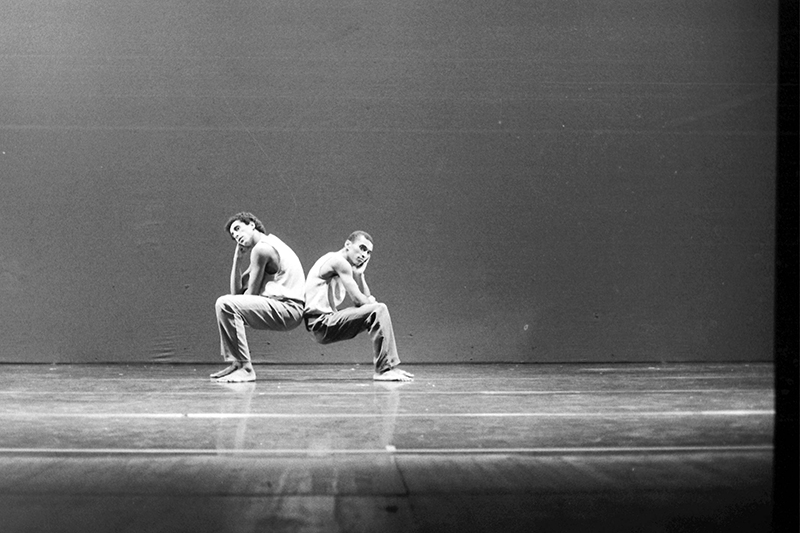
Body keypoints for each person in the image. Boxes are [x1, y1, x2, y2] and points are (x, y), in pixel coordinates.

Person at [303, 231, 413, 381]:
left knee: (377, 310)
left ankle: (388, 368)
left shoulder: (342, 264)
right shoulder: (338, 262)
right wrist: (371, 303)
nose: (364, 255)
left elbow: (364, 301)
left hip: (324, 322)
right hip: (320, 324)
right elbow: (359, 301)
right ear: (348, 244)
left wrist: (360, 275)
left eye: (368, 252)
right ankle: (383, 370)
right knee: (379, 309)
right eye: (362, 248)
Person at [212, 212, 305, 383]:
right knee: (226, 304)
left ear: (252, 225)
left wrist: (237, 300)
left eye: (238, 228)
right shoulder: (266, 245)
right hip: (285, 308)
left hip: (289, 308)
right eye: (233, 235)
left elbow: (246, 297)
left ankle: (246, 369)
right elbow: (237, 295)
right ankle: (237, 364)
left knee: (224, 304)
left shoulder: (262, 249)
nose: (236, 236)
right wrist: (237, 259)